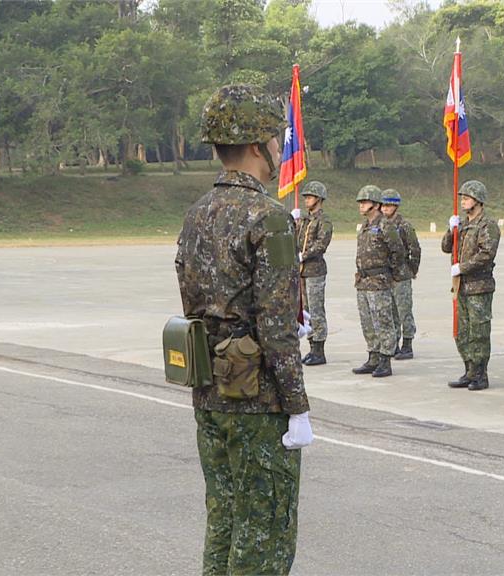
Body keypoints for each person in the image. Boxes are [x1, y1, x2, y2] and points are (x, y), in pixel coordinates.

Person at [175, 84, 312, 576]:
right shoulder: (269, 218)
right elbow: (276, 327)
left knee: (226, 520)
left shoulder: (196, 215)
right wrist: (297, 406)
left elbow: (195, 302)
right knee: (265, 534)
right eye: (275, 141)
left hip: (208, 388)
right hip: (258, 400)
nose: (279, 150)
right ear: (257, 146)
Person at [443, 180, 501, 391]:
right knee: (462, 331)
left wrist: (463, 267)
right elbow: (445, 247)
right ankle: (468, 369)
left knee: (478, 332)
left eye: (467, 197)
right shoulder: (463, 224)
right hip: (460, 286)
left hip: (479, 286)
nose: (463, 201)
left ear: (478, 200)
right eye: (463, 197)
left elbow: (486, 254)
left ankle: (480, 374)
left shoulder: (487, 225)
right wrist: (452, 230)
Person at [352, 184, 404, 378]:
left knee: (383, 321)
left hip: (379, 281)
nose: (361, 205)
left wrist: (389, 273)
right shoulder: (365, 226)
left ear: (375, 204)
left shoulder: (385, 225)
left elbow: (398, 251)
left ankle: (385, 359)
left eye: (364, 202)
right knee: (367, 322)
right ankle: (373, 356)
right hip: (364, 281)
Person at [381, 189, 422, 360]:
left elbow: (415, 249)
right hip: (386, 275)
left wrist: (411, 270)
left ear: (396, 206)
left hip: (402, 274)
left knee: (404, 310)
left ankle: (407, 344)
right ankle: (394, 344)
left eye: (389, 205)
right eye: (383, 205)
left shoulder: (404, 226)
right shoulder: (380, 225)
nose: (385, 209)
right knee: (390, 312)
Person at [296, 181, 333, 366]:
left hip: (315, 270)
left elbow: (321, 244)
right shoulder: (304, 220)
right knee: (306, 312)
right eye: (305, 197)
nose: (306, 200)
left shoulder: (323, 221)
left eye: (309, 197)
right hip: (302, 271)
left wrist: (304, 255)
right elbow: (296, 238)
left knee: (317, 310)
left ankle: (319, 349)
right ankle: (311, 347)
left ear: (318, 199)